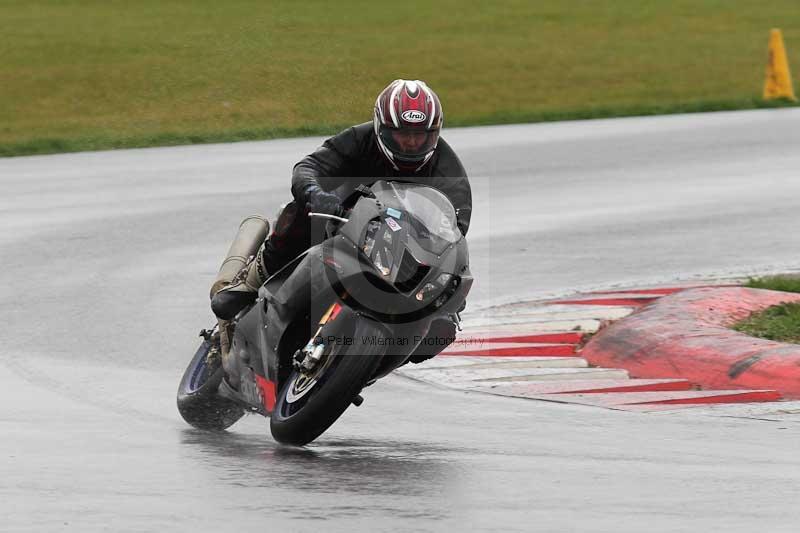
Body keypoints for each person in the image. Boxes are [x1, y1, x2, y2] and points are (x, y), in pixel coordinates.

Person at [211, 79, 472, 362]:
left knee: (443, 319)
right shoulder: (359, 139)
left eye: (420, 136)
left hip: (398, 250)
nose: (411, 143)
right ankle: (250, 284)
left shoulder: (449, 173)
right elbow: (309, 167)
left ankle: (374, 361)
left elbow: (453, 235)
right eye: (402, 134)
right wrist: (316, 194)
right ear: (382, 128)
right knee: (300, 213)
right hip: (341, 220)